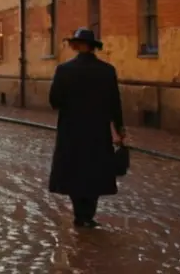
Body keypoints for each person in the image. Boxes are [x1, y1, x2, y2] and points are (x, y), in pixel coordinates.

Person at [48, 27, 125, 228]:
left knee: (75, 171)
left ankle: (79, 214)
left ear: (78, 46)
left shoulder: (64, 70)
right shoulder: (107, 71)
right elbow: (115, 104)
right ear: (92, 47)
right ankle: (88, 215)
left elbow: (54, 101)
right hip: (97, 130)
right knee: (95, 171)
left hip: (71, 130)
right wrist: (119, 128)